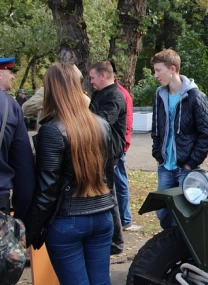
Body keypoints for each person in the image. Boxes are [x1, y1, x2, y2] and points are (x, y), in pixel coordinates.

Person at [24, 62, 115, 285]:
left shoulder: (52, 130)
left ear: (52, 90)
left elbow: (47, 190)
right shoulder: (101, 124)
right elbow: (109, 174)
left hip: (68, 220)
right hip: (102, 214)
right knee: (100, 282)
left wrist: (30, 232)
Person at [151, 49, 208, 229]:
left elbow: (207, 135)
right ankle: (172, 244)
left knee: (188, 212)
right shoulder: (159, 95)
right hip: (165, 166)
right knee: (162, 211)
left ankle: (186, 250)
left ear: (172, 69)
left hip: (185, 168)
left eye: (158, 70)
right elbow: (156, 128)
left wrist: (190, 162)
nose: (155, 75)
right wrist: (158, 156)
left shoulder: (195, 96)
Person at [88, 60, 126, 255]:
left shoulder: (114, 96)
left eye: (93, 77)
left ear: (103, 76)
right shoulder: (102, 94)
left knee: (108, 197)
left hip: (108, 153)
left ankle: (116, 241)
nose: (91, 81)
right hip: (101, 151)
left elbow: (101, 122)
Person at [0, 56, 35, 220]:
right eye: (10, 71)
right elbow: (23, 167)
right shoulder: (10, 107)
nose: (13, 76)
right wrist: (21, 219)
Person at [114, 75, 140, 231]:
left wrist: (124, 145)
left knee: (120, 182)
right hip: (116, 146)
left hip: (118, 147)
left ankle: (125, 220)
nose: (91, 82)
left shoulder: (120, 94)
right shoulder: (106, 92)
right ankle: (123, 219)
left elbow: (127, 123)